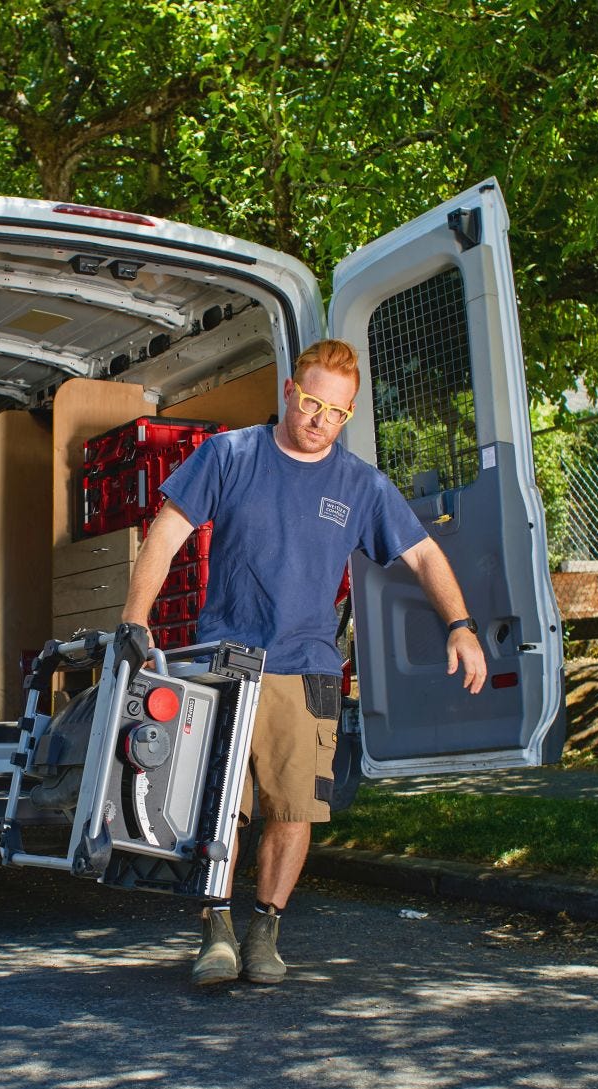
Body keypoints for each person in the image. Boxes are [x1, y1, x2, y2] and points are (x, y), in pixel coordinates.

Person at [120, 338, 488, 986]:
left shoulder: (360, 484)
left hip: (310, 668)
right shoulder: (230, 456)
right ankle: (218, 930)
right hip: (227, 664)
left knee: (293, 811)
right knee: (219, 809)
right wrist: (133, 619)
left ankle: (266, 929)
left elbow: (425, 555)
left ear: (348, 416)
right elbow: (168, 531)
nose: (320, 419)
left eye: (336, 412)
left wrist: (459, 625)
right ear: (290, 391)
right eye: (312, 402)